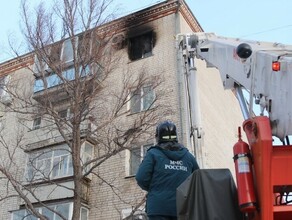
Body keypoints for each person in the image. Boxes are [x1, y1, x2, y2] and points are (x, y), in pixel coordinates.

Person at [135, 120, 200, 220]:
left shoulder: (153, 154)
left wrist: (156, 188)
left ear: (158, 136)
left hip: (158, 209)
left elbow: (141, 178)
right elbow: (198, 180)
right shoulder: (188, 157)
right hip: (183, 209)